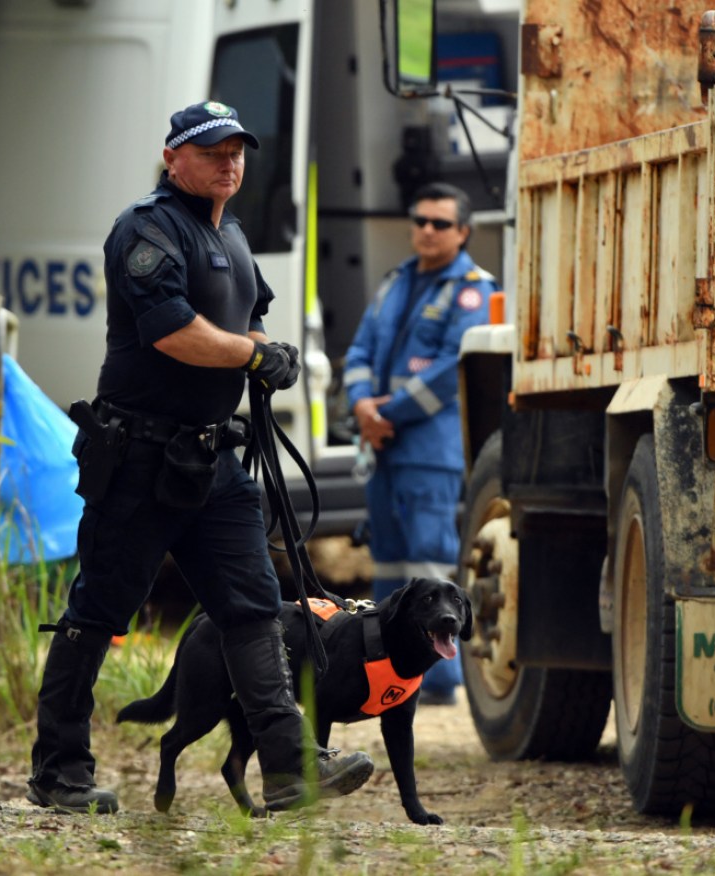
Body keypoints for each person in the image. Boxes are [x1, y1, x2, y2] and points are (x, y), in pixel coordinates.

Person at [27, 101, 375, 814]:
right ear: (172, 157)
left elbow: (244, 314)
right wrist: (252, 351)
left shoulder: (234, 235)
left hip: (214, 466)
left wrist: (263, 348)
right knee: (98, 612)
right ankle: (58, 771)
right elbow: (172, 332)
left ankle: (287, 765)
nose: (228, 161)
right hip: (139, 462)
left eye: (236, 150)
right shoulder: (146, 230)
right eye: (211, 150)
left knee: (252, 609)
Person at [342, 181, 495, 706]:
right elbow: (360, 350)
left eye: (441, 223)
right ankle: (383, 672)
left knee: (430, 566)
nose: (428, 230)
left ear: (463, 232)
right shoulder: (396, 281)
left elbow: (455, 368)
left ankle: (439, 680)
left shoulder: (474, 288)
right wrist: (362, 404)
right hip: (382, 445)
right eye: (421, 220)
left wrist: (384, 412)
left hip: (428, 452)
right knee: (387, 564)